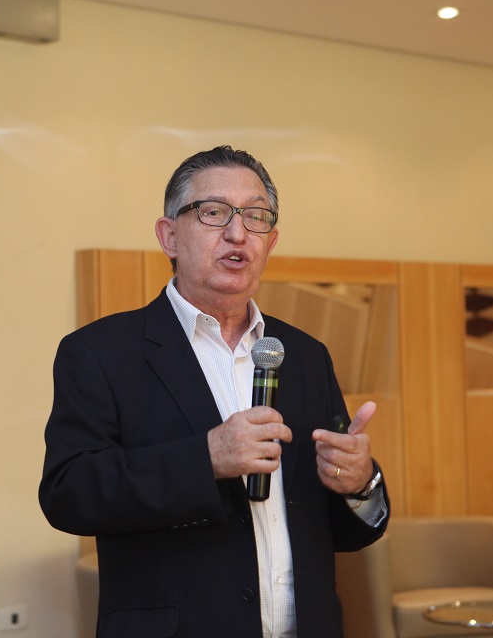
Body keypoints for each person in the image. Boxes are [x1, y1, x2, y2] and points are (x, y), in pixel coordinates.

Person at [39, 146, 390, 638]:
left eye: (256, 217)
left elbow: (348, 533)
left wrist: (357, 483)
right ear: (169, 236)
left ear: (270, 242)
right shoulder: (100, 352)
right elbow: (69, 494)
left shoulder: (306, 355)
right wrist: (206, 458)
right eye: (213, 212)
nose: (238, 233)